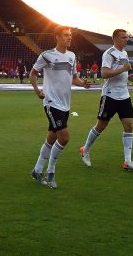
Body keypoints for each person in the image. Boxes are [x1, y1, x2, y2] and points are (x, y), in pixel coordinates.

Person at [30, 26, 91, 189]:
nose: (69, 38)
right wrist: (37, 90)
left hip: (65, 105)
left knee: (51, 138)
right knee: (64, 138)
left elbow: (73, 79)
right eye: (66, 35)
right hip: (51, 103)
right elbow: (33, 73)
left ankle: (36, 170)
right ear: (57, 37)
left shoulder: (72, 56)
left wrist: (82, 84)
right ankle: (50, 173)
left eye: (70, 35)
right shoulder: (47, 55)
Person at [80, 28, 133, 171]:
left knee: (129, 125)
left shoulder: (125, 53)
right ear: (114, 39)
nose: (126, 39)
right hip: (110, 95)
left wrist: (129, 76)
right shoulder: (108, 54)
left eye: (126, 37)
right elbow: (104, 73)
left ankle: (127, 161)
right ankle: (85, 150)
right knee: (101, 126)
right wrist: (123, 69)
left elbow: (122, 71)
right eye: (123, 37)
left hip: (124, 94)